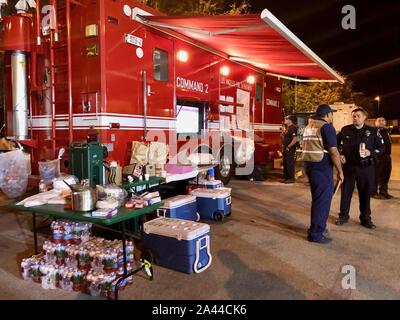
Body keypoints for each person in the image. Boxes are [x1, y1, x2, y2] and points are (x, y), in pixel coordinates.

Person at [336, 108, 385, 229]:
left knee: (365, 194)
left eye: (358, 116)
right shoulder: (345, 129)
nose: (355, 118)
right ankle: (343, 216)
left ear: (364, 118)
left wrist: (371, 152)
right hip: (349, 167)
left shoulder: (373, 131)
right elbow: (336, 144)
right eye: (353, 116)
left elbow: (382, 148)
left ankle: (365, 218)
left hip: (366, 167)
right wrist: (340, 153)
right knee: (346, 193)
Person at [302, 104, 344, 244]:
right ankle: (316, 234)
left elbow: (318, 146)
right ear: (327, 115)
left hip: (310, 166)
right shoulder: (326, 127)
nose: (332, 116)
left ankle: (319, 227)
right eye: (331, 114)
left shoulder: (310, 126)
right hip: (321, 167)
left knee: (318, 199)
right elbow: (333, 151)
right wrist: (340, 170)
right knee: (322, 201)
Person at [372, 117, 393, 199]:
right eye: (379, 120)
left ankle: (384, 192)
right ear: (375, 123)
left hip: (387, 157)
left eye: (383, 120)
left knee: (385, 175)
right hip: (378, 157)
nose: (381, 122)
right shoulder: (374, 132)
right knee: (376, 175)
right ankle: (373, 192)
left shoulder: (387, 131)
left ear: (385, 122)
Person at [282, 115, 297, 183]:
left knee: (289, 162)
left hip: (289, 148)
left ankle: (291, 178)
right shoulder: (288, 128)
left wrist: (288, 146)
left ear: (290, 120)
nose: (285, 120)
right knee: (285, 162)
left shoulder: (293, 128)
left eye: (286, 119)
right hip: (286, 147)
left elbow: (295, 139)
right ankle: (287, 177)